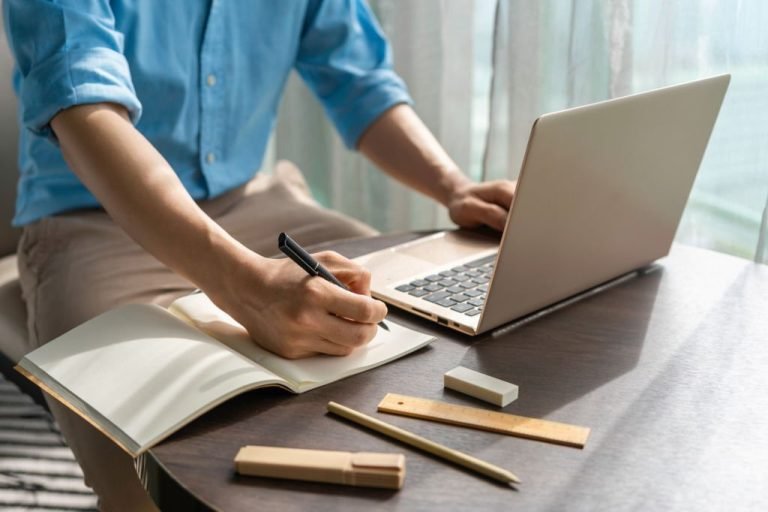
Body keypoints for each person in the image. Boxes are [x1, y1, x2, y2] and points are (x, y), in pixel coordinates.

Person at [4, 1, 515, 509]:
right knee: (148, 469)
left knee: (411, 331)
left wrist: (454, 187)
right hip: (93, 220)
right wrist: (244, 286)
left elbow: (360, 80)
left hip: (255, 204)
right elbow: (82, 107)